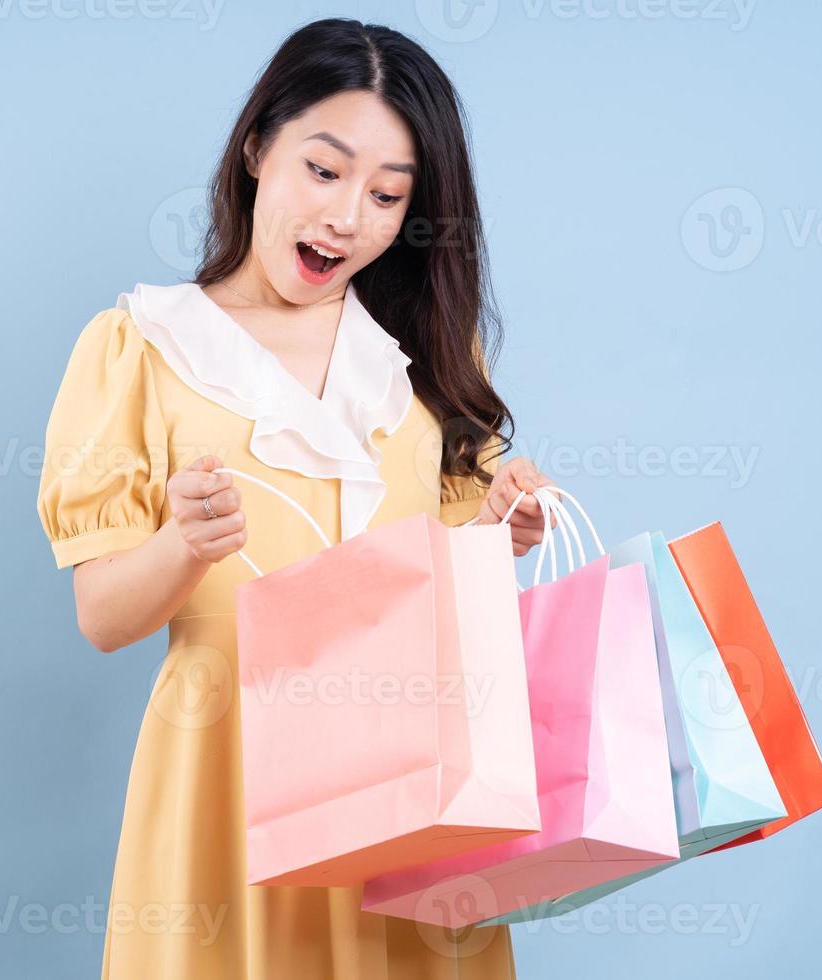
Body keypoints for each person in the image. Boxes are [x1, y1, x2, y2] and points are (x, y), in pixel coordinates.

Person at [36, 17, 556, 978]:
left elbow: (438, 592)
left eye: (387, 195)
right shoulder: (141, 350)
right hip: (224, 773)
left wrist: (495, 527)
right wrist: (182, 545)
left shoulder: (424, 362)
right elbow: (103, 617)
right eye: (323, 170)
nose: (348, 217)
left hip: (407, 775)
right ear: (255, 150)